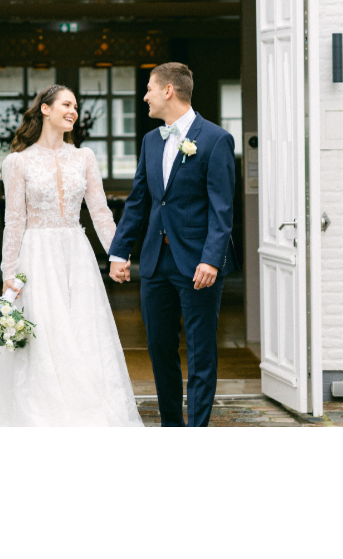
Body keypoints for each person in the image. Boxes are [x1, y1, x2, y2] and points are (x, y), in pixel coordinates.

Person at [0, 84, 143, 427]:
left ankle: (85, 410)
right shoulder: (17, 162)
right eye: (66, 104)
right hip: (36, 257)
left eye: (75, 105)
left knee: (82, 331)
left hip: (77, 255)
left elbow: (101, 212)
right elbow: (13, 222)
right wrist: (8, 274)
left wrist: (117, 254)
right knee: (44, 336)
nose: (73, 110)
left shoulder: (85, 157)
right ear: (45, 109)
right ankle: (44, 414)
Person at [108, 62, 237, 427]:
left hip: (198, 264)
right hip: (155, 263)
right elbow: (139, 202)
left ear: (168, 90)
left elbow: (222, 208)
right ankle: (171, 428)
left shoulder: (215, 139)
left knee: (200, 352)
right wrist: (121, 251)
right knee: (160, 350)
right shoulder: (152, 140)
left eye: (149, 88)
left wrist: (211, 259)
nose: (144, 96)